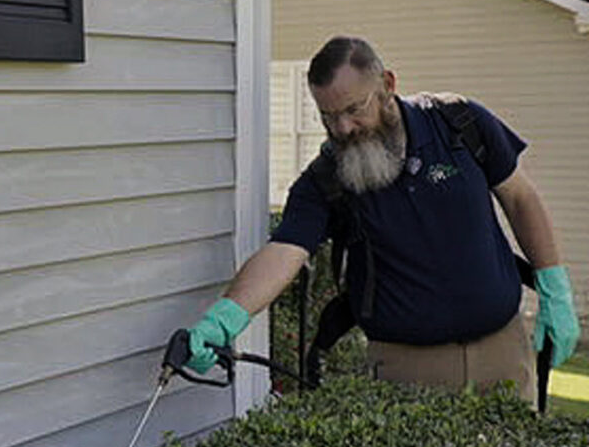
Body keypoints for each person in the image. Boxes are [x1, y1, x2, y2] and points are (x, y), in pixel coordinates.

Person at [185, 36, 580, 403]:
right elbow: (284, 251)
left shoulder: (461, 125)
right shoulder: (325, 180)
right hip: (404, 368)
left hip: (505, 351)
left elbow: (520, 198)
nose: (342, 128)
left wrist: (554, 288)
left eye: (355, 110)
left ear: (388, 84)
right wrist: (225, 318)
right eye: (328, 116)